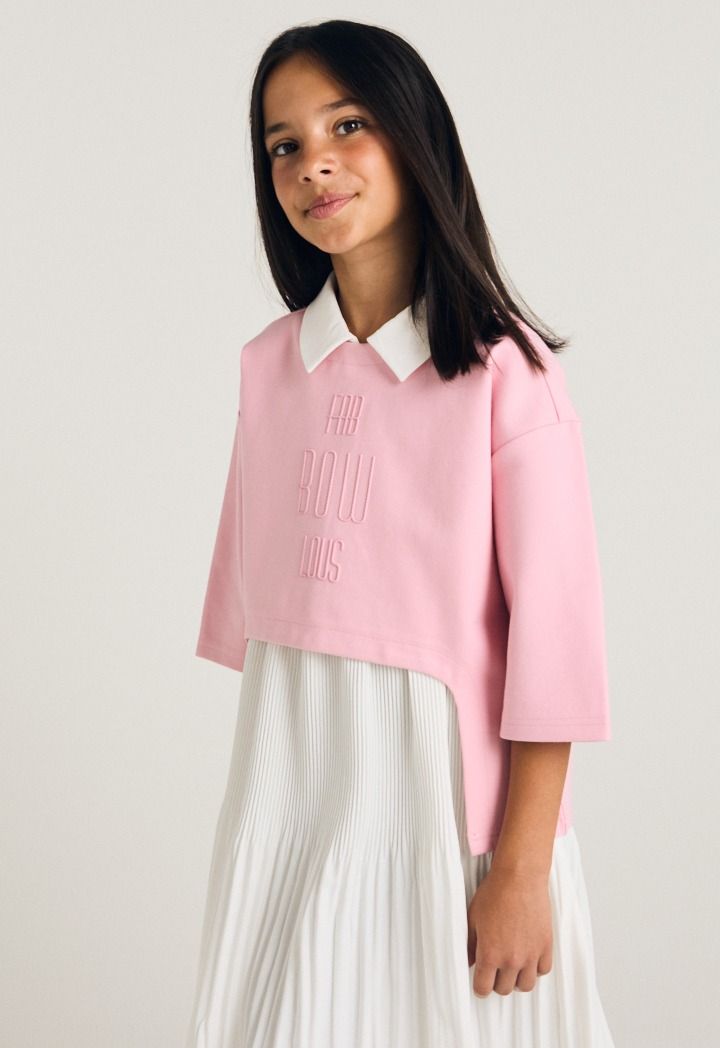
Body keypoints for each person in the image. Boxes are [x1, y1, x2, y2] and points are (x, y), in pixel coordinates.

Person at [185, 18, 616, 1048]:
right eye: (283, 144)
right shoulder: (267, 368)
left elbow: (554, 650)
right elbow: (276, 642)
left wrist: (520, 869)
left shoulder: (507, 376)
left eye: (348, 125)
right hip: (296, 793)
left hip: (444, 813)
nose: (313, 162)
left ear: (417, 138)